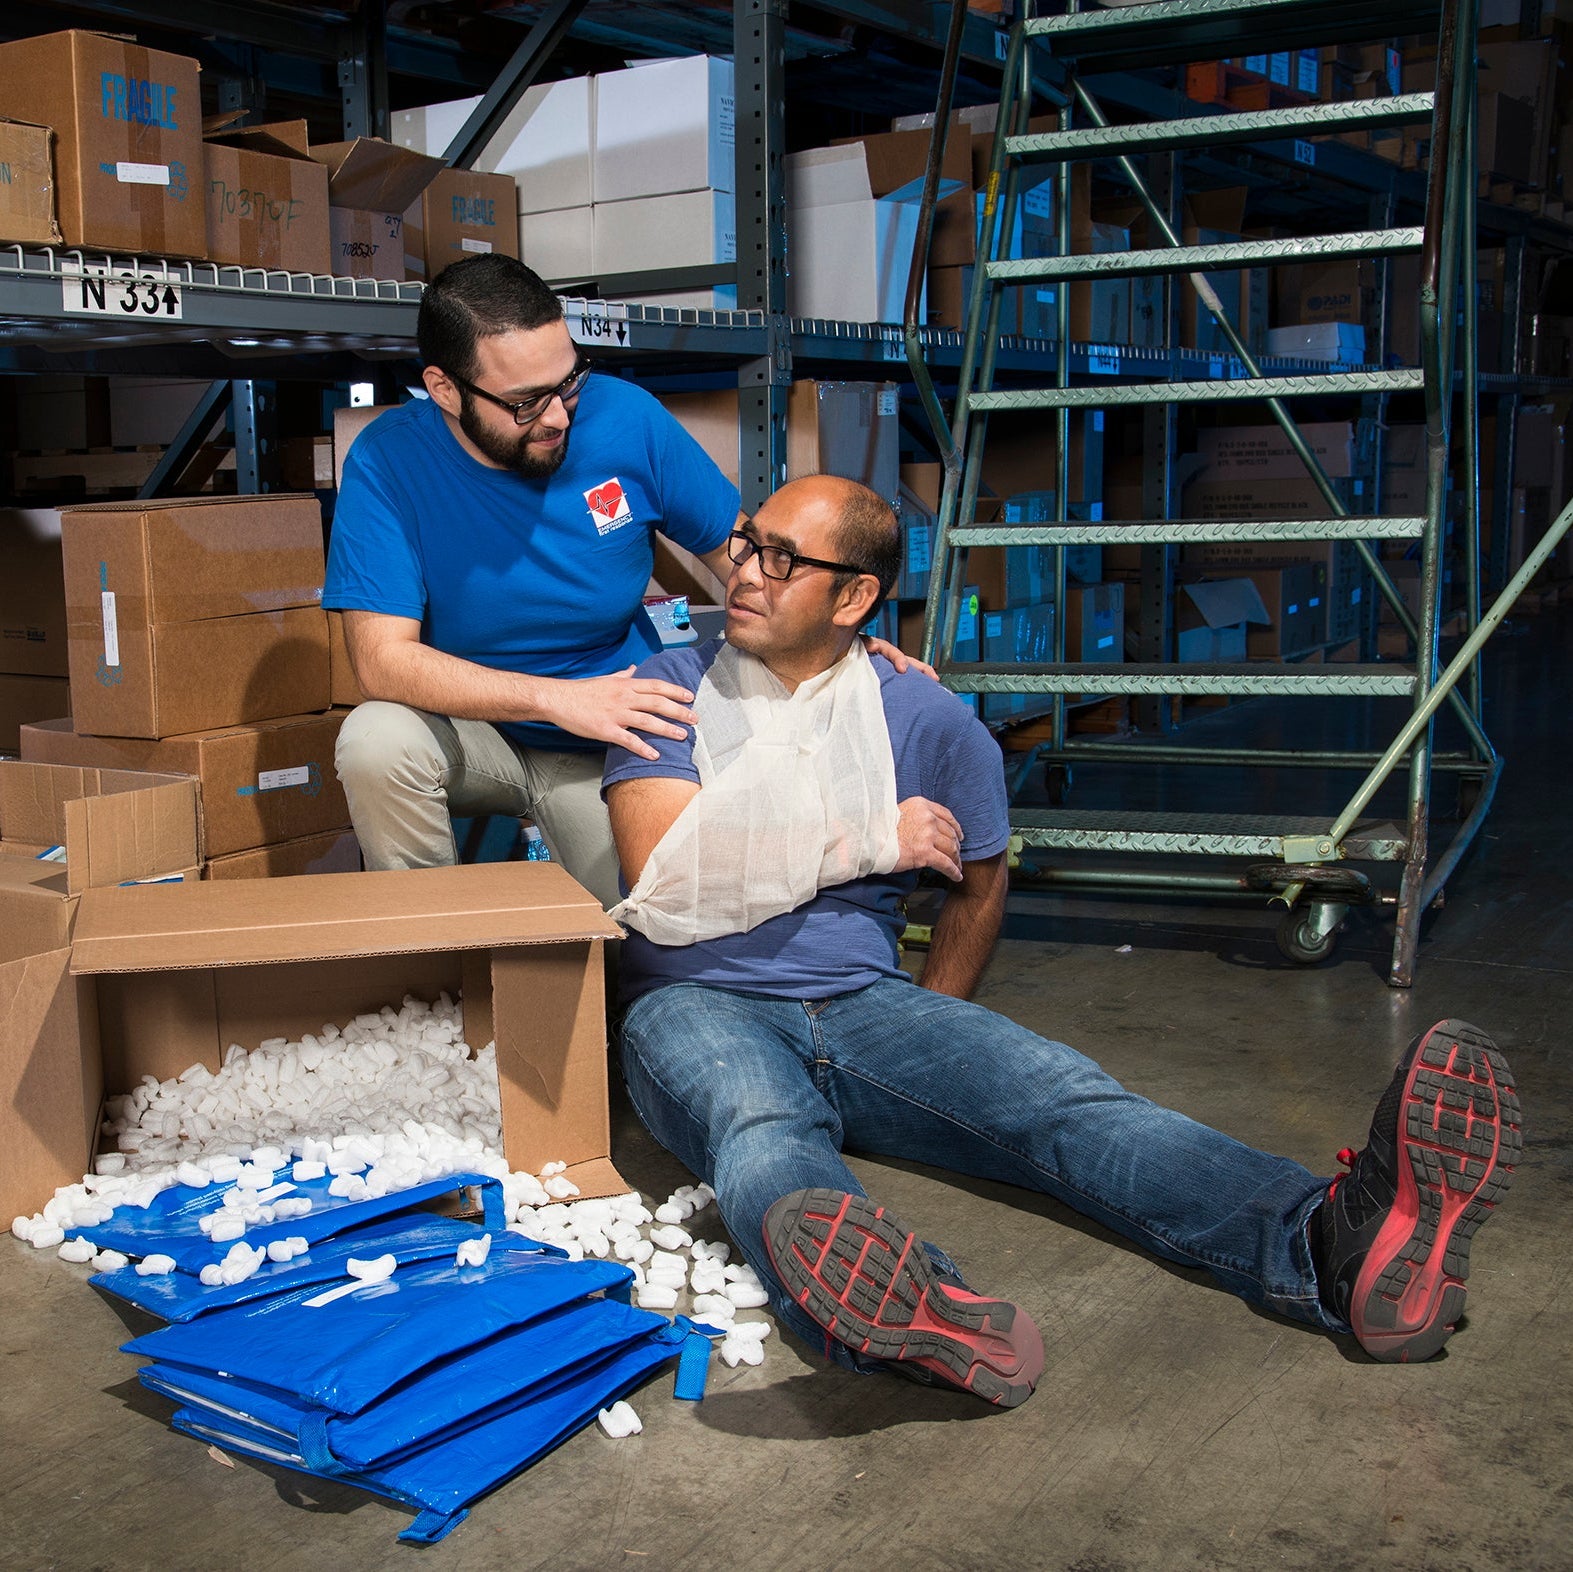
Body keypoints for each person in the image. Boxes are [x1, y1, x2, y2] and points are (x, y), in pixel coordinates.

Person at [600, 474, 1522, 1407]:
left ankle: (1329, 1242)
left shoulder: (926, 720)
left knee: (1066, 1102)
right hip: (693, 996)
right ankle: (908, 1312)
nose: (745, 572)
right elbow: (662, 868)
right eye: (748, 543)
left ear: (855, 598)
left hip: (865, 1001)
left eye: (782, 559)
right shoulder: (670, 688)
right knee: (760, 1132)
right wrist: (869, 838)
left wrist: (930, 1027)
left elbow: (979, 882)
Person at [324, 254, 920, 907]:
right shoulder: (388, 460)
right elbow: (381, 663)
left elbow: (745, 559)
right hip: (475, 730)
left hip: (611, 736)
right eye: (525, 402)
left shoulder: (625, 419)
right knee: (375, 740)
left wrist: (832, 648)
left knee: (638, 936)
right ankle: (436, 961)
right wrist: (556, 698)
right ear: (443, 389)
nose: (557, 417)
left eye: (568, 382)